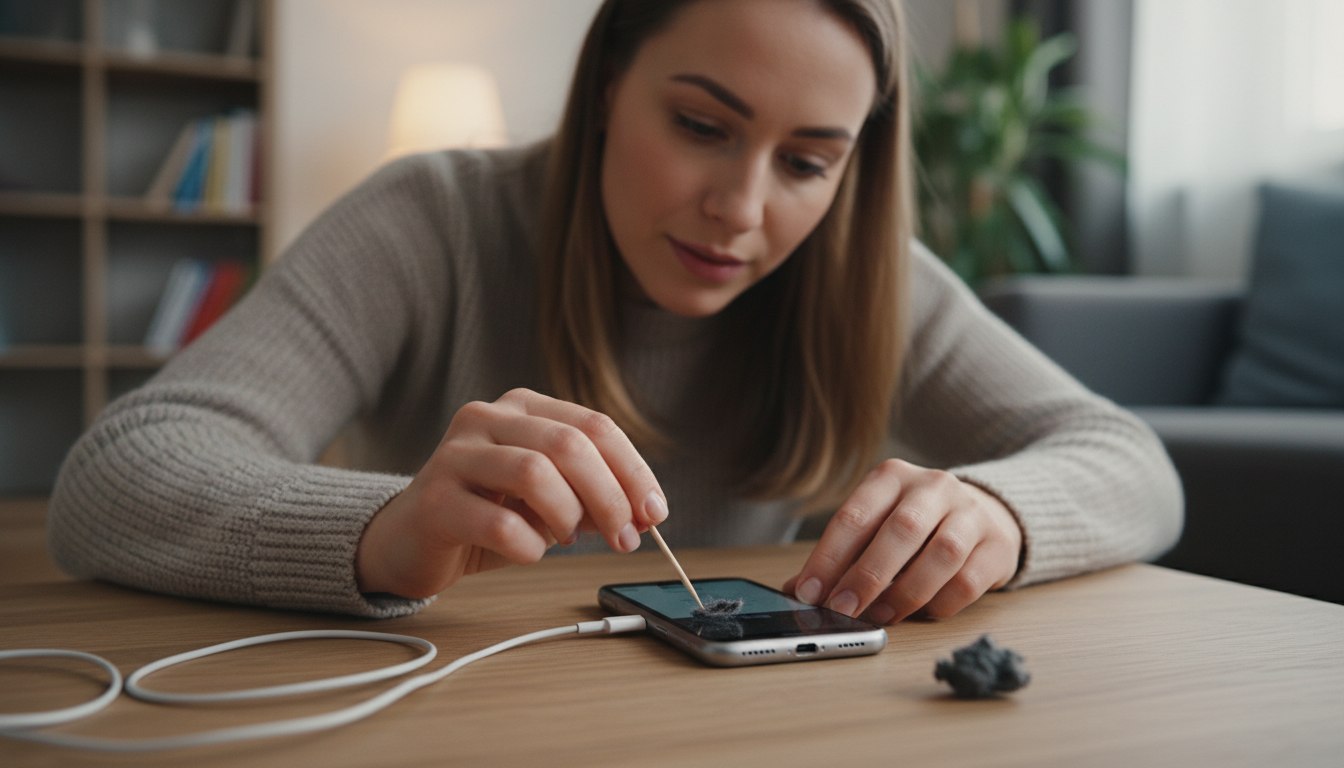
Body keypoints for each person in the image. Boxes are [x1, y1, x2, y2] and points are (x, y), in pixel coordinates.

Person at [47, 0, 1181, 623]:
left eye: (807, 162)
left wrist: (995, 511)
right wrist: (390, 530)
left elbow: (1130, 461)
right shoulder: (433, 217)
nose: (740, 210)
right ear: (603, 93)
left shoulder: (868, 275)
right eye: (699, 125)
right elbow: (120, 471)